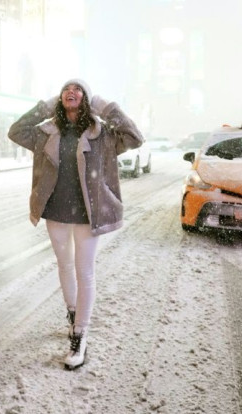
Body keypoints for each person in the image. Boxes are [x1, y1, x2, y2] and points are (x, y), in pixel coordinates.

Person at [8, 79, 143, 370]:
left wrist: (106, 108)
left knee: (85, 272)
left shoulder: (102, 134)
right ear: (59, 98)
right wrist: (42, 107)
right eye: (66, 89)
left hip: (87, 214)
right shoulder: (46, 133)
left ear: (87, 99)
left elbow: (135, 137)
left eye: (78, 89)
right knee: (64, 266)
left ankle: (80, 334)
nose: (71, 91)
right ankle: (73, 315)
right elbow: (15, 131)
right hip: (55, 210)